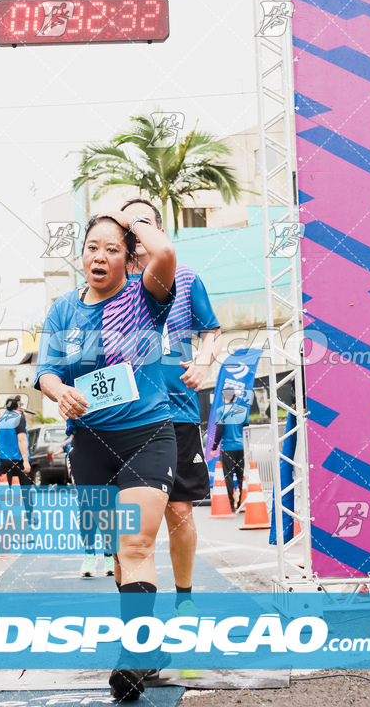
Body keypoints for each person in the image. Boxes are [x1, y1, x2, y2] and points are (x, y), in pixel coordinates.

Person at [35, 211, 177, 701]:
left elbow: (166, 254)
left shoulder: (145, 295)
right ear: (81, 255)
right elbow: (47, 371)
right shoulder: (62, 310)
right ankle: (149, 646)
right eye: (93, 247)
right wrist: (59, 394)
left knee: (136, 544)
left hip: (148, 434)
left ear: (129, 255)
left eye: (113, 248)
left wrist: (133, 221)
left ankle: (133, 656)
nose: (100, 256)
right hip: (90, 444)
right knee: (119, 552)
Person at [120, 198, 222, 619]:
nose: (136, 229)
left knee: (179, 510)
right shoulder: (111, 282)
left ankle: (184, 598)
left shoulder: (185, 277)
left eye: (144, 221)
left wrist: (203, 361)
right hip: (122, 418)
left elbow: (212, 332)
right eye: (129, 223)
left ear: (158, 230)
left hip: (176, 411)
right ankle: (134, 610)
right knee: (127, 524)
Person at [211, 388, 251, 512]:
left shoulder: (221, 411)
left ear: (224, 397)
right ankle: (241, 502)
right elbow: (246, 428)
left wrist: (214, 448)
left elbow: (219, 430)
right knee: (241, 475)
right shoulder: (243, 410)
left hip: (228, 448)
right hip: (242, 447)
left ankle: (230, 503)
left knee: (228, 476)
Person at [0, 397, 32, 487]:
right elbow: (21, 439)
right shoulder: (19, 418)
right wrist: (26, 461)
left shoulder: (0, 419)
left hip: (4, 460)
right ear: (18, 406)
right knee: (26, 490)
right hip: (18, 459)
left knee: (9, 490)